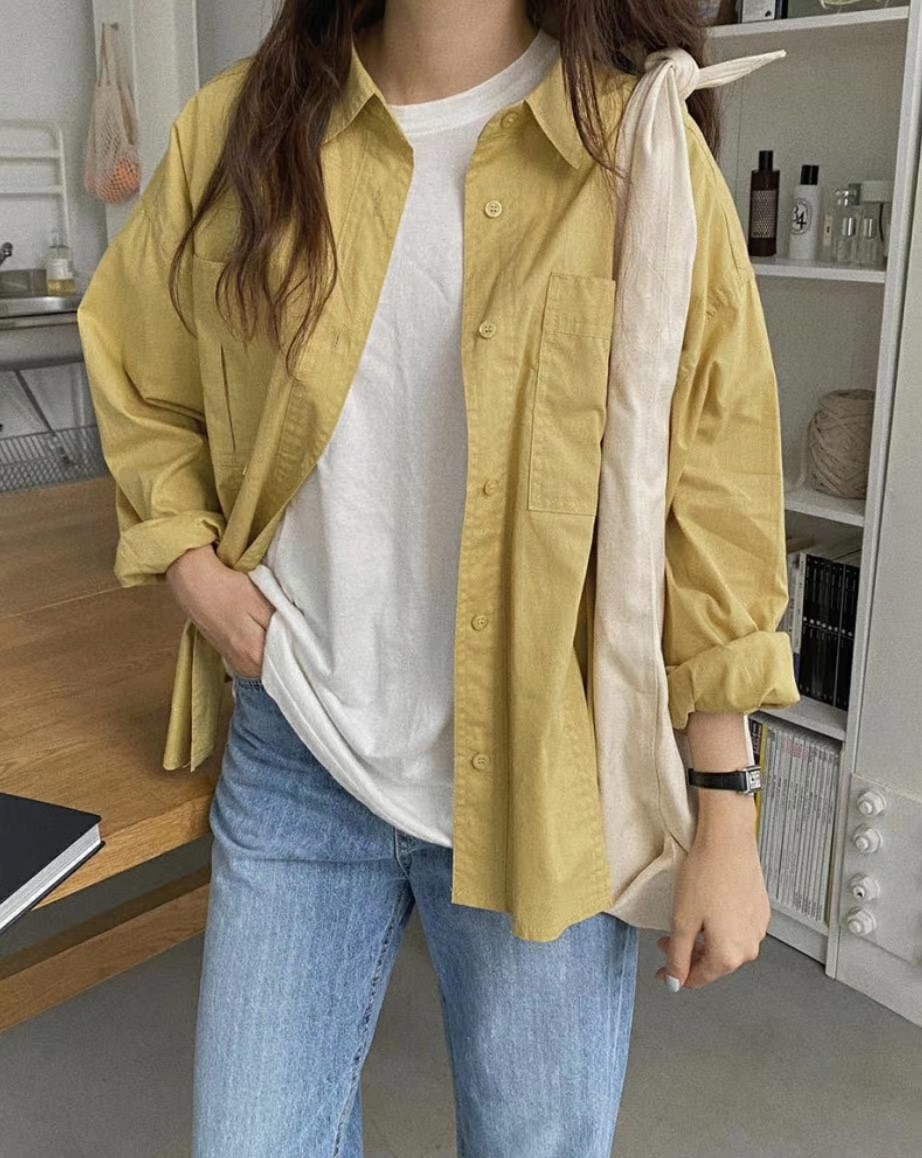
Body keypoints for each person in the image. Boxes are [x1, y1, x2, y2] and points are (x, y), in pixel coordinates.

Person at [76, 0, 800, 1154]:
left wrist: (726, 805)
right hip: (300, 751)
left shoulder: (632, 141)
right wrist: (192, 567)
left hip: (542, 766)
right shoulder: (235, 133)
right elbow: (140, 368)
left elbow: (710, 496)